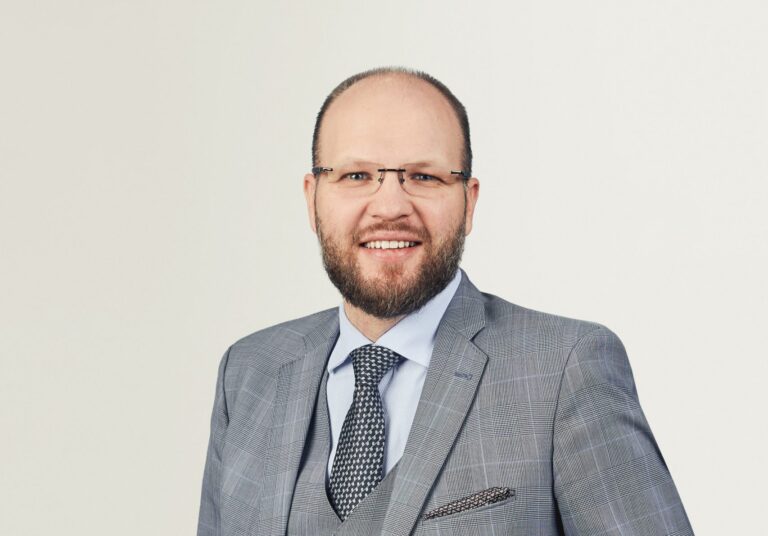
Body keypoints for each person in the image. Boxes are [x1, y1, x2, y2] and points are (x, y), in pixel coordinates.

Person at [197, 67, 693, 536]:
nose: (390, 206)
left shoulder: (565, 369)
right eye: (356, 176)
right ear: (312, 198)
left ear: (469, 202)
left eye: (424, 177)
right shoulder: (248, 373)